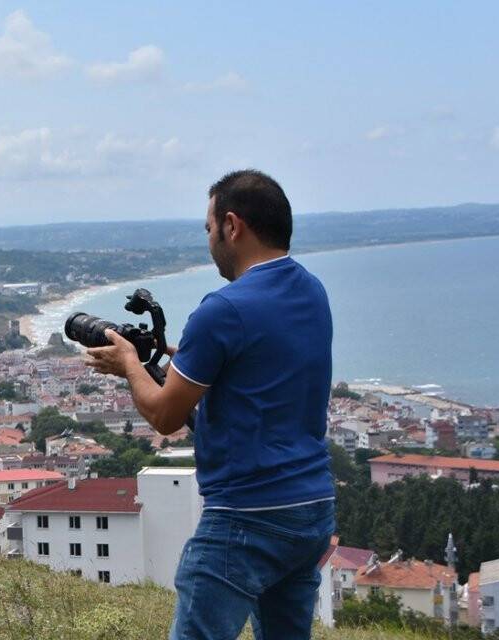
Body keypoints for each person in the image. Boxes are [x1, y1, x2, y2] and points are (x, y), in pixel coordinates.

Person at [86, 170, 334, 639]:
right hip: (312, 507)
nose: (208, 240)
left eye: (208, 228)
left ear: (232, 226)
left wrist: (129, 365)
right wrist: (198, 363)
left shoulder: (223, 309)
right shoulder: (312, 292)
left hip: (248, 513)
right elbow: (266, 370)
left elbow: (164, 414)